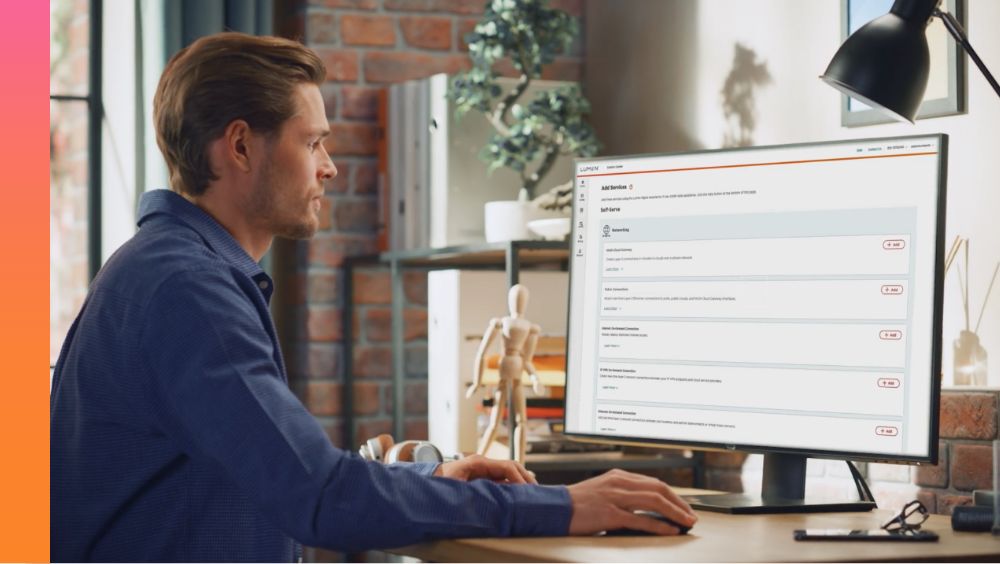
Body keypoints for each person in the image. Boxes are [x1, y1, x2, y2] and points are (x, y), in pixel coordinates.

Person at [49, 32, 696, 562]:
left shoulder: (168, 269)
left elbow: (292, 475)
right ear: (242, 146)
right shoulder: (188, 290)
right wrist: (563, 505)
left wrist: (428, 481)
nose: (330, 166)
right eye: (314, 142)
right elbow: (320, 496)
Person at [466, 284, 543, 464]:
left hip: (517, 372)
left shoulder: (530, 328)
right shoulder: (501, 322)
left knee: (521, 420)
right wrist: (477, 383)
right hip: (504, 370)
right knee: (495, 420)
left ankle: (520, 464)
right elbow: (482, 352)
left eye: (521, 298)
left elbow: (527, 360)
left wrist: (534, 377)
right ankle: (478, 458)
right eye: (516, 297)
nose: (518, 302)